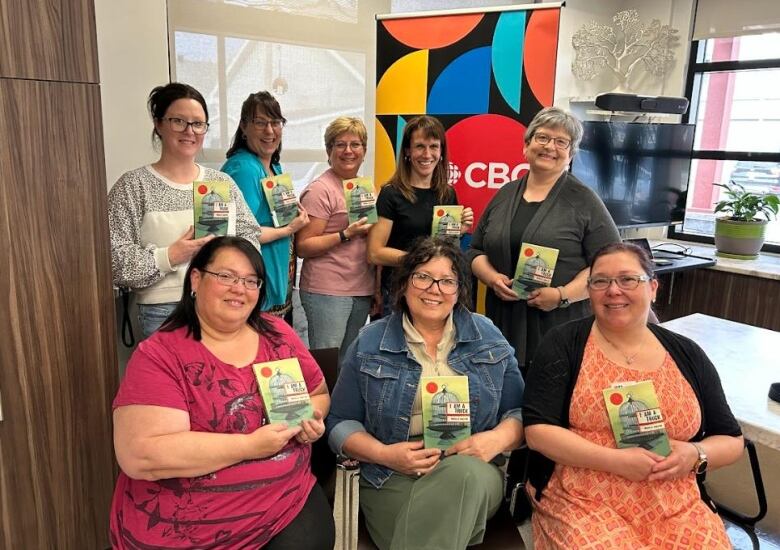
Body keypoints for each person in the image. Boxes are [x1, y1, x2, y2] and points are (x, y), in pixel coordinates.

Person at [110, 236, 335, 549]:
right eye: (226, 276)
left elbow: (318, 393)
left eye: (250, 280)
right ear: (196, 279)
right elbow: (142, 456)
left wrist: (311, 418)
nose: (239, 289)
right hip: (188, 525)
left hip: (286, 499)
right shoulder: (160, 355)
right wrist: (247, 446)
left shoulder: (276, 333)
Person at [522, 242, 744, 549]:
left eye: (628, 279)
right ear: (589, 291)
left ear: (653, 287)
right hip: (582, 496)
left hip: (674, 501)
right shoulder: (563, 343)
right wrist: (615, 461)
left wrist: (695, 454)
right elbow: (537, 432)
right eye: (601, 281)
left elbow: (731, 440)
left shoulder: (687, 353)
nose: (614, 290)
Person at [326, 237, 524, 550]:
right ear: (403, 284)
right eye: (423, 277)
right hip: (390, 475)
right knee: (435, 530)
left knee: (463, 475)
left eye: (447, 281)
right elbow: (339, 422)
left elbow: (520, 412)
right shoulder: (370, 341)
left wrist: (495, 440)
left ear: (459, 291)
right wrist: (385, 455)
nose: (434, 289)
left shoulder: (486, 335)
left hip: (474, 469)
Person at [467, 106, 621, 373]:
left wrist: (561, 296)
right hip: (502, 323)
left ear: (571, 154)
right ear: (526, 146)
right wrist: (492, 278)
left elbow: (610, 265)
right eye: (543, 138)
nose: (550, 146)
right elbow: (476, 250)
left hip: (557, 327)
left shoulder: (584, 200)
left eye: (562, 142)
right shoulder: (504, 194)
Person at [108, 82, 262, 338]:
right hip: (163, 311)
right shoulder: (134, 186)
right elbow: (116, 262)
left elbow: (250, 239)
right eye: (178, 121)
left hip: (224, 305)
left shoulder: (221, 183)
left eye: (198, 124)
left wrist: (227, 258)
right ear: (158, 124)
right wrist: (170, 256)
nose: (190, 131)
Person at [368, 115, 473, 316]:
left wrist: (458, 232)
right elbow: (374, 252)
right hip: (401, 291)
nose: (427, 154)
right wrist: (422, 261)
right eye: (419, 146)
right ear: (407, 151)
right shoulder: (391, 193)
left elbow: (443, 246)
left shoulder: (447, 193)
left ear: (441, 152)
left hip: (437, 292)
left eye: (434, 146)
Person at [222, 91, 309, 322]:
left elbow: (276, 218)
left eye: (275, 122)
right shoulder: (244, 169)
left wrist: (293, 214)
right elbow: (241, 233)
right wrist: (289, 229)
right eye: (260, 122)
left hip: (278, 286)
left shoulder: (274, 167)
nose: (269, 131)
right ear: (243, 127)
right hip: (255, 290)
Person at [296, 117, 376, 361]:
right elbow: (303, 246)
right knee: (327, 362)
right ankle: (325, 401)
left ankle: (341, 402)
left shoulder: (366, 188)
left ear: (364, 150)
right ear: (329, 150)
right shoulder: (321, 189)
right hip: (327, 290)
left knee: (348, 363)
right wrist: (345, 234)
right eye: (340, 144)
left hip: (361, 288)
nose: (348, 151)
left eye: (355, 144)